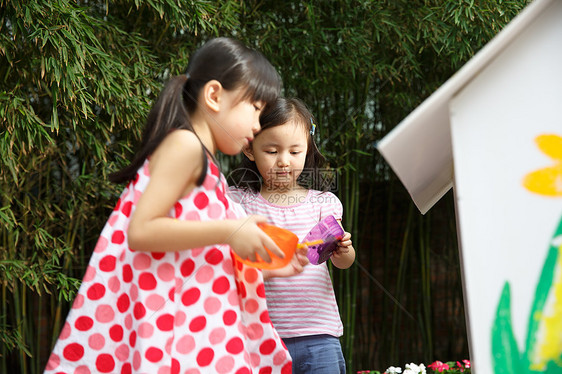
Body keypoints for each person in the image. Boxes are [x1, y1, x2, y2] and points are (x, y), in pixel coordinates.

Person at [44, 37, 296, 374]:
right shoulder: (185, 145)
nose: (257, 125)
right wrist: (230, 229)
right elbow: (142, 230)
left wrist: (264, 261)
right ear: (215, 96)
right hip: (176, 324)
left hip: (187, 322)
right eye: (255, 108)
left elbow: (192, 246)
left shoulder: (205, 164)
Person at [228, 97, 356, 374]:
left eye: (295, 152)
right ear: (250, 149)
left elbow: (342, 263)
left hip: (319, 333)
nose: (284, 162)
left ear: (307, 149)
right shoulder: (239, 203)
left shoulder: (323, 203)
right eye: (272, 151)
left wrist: (344, 250)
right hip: (260, 335)